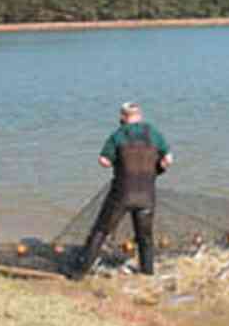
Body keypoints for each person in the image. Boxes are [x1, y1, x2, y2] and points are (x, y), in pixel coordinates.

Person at [71, 102, 172, 278]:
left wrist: (115, 161)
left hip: (122, 195)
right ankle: (147, 273)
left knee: (101, 231)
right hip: (147, 196)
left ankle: (79, 272)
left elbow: (103, 161)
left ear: (123, 117)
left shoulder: (118, 135)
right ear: (140, 115)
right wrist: (157, 166)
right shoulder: (154, 133)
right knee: (145, 237)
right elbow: (168, 159)